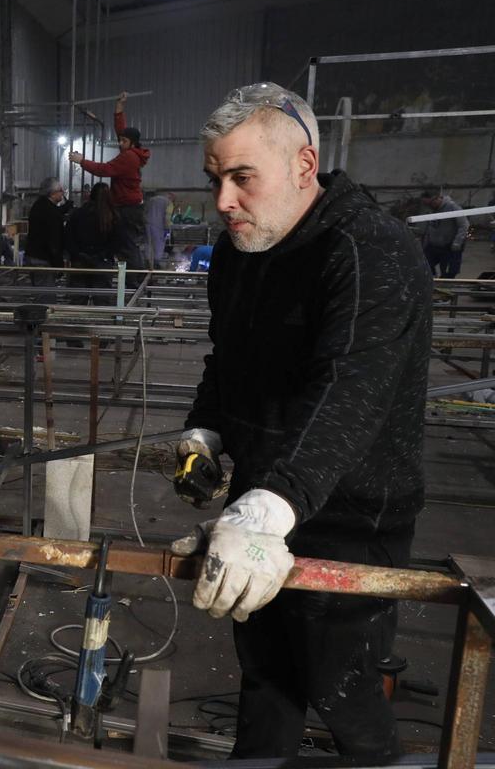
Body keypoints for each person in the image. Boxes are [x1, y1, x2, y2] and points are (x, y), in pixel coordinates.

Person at [170, 82, 432, 762]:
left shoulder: (371, 250)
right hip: (263, 497)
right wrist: (207, 429)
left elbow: (351, 390)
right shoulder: (238, 250)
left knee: (338, 685)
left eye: (241, 177)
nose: (223, 199)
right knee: (265, 675)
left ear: (303, 165)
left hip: (351, 515)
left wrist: (271, 506)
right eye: (215, 178)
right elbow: (228, 356)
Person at [68, 91, 151, 281]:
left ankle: (134, 282)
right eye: (120, 140)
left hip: (128, 209)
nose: (119, 143)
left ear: (132, 143)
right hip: (129, 206)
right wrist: (119, 107)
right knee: (127, 245)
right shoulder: (133, 151)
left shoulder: (128, 157)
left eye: (123, 141)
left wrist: (82, 161)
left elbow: (105, 170)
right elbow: (121, 130)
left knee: (127, 245)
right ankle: (133, 279)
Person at [64, 181, 117, 303]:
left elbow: (68, 237)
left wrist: (78, 254)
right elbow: (116, 241)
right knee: (102, 299)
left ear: (91, 195)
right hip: (102, 263)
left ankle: (75, 321)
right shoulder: (111, 216)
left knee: (78, 299)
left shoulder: (78, 214)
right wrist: (102, 255)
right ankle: (100, 321)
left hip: (79, 261)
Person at [25, 177, 70, 290]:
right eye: (60, 190)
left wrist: (65, 208)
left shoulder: (39, 205)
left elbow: (53, 213)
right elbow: (53, 240)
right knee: (45, 295)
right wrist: (59, 264)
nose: (63, 193)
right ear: (53, 193)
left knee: (39, 291)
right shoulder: (50, 211)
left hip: (33, 255)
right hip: (43, 258)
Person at [419, 188, 469, 278]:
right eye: (426, 204)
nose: (429, 206)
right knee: (424, 265)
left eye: (430, 203)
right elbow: (428, 227)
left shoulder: (452, 207)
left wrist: (457, 243)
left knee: (448, 273)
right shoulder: (430, 209)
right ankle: (432, 278)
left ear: (437, 198)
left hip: (449, 246)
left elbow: (464, 225)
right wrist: (425, 242)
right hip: (434, 245)